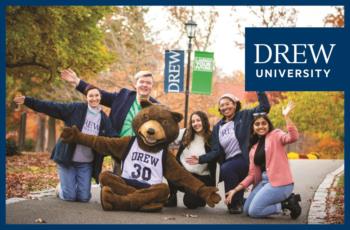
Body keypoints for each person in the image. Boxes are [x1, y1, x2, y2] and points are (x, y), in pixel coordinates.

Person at [13, 86, 115, 202]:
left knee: (84, 198)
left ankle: (72, 186)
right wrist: (28, 100)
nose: (94, 98)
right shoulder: (75, 109)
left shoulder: (104, 119)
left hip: (86, 163)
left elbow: (112, 137)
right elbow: (51, 107)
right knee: (69, 197)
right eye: (90, 96)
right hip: (68, 159)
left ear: (100, 97)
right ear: (86, 98)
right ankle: (60, 188)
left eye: (96, 95)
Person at [186, 92, 270, 214]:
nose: (225, 107)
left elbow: (264, 108)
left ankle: (234, 203)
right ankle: (280, 202)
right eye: (222, 105)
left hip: (246, 158)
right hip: (230, 161)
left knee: (227, 168)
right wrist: (200, 159)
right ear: (219, 109)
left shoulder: (245, 115)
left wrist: (259, 90)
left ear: (235, 104)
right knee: (229, 170)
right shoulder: (218, 127)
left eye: (228, 104)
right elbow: (216, 151)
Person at [60, 69, 158, 173]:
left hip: (143, 154)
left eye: (148, 83)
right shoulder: (124, 96)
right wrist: (77, 81)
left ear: (152, 86)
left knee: (138, 185)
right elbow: (100, 94)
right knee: (119, 181)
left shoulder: (157, 107)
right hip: (120, 150)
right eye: (142, 82)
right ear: (135, 84)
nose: (145, 85)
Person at [225, 101, 301, 219]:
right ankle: (279, 202)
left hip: (280, 184)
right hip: (264, 182)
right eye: (257, 124)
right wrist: (235, 190)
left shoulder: (276, 135)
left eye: (263, 123)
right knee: (247, 210)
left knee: (255, 211)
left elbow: (293, 137)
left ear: (268, 124)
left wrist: (286, 117)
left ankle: (286, 203)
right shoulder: (253, 148)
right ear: (253, 128)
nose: (261, 126)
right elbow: (251, 175)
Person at [165, 111, 216, 209]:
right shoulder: (185, 133)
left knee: (190, 202)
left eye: (198, 120)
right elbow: (170, 139)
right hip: (184, 174)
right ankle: (172, 197)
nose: (196, 124)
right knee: (169, 164)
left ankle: (200, 196)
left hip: (201, 177)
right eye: (193, 121)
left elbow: (215, 154)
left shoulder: (211, 137)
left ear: (204, 121)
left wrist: (201, 159)